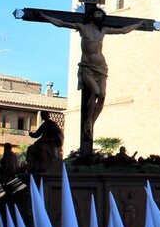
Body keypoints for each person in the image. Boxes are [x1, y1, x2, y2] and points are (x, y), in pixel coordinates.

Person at [38, 9, 150, 152]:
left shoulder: (103, 30)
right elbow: (61, 23)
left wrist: (139, 24)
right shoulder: (82, 27)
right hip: (87, 67)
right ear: (91, 16)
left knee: (102, 95)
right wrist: (45, 16)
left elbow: (123, 30)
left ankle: (90, 123)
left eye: (101, 16)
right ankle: (87, 122)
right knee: (95, 92)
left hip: (101, 67)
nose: (100, 17)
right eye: (98, 15)